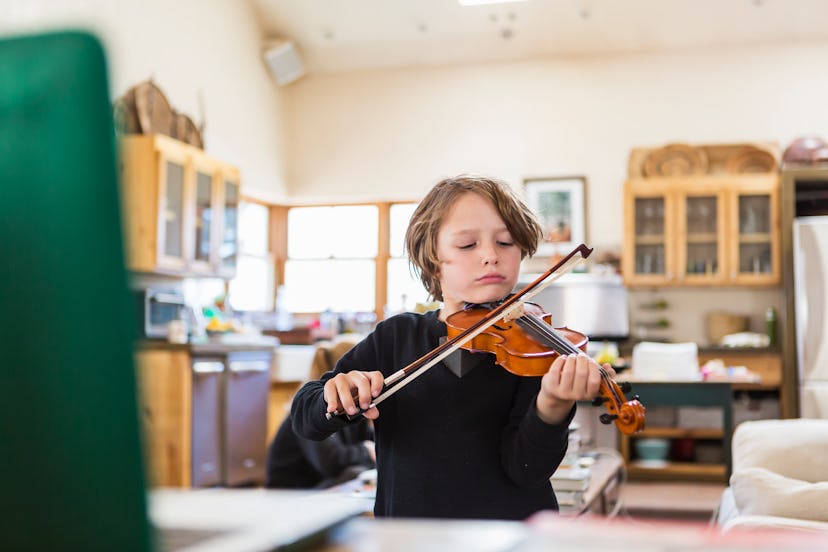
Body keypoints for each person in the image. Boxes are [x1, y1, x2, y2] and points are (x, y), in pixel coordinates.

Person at [290, 174, 612, 520]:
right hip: (410, 538)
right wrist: (333, 394)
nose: (491, 255)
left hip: (509, 537)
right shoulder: (395, 337)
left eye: (505, 242)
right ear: (432, 259)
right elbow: (305, 419)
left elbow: (526, 469)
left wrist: (552, 404)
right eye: (467, 245)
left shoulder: (532, 347)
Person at [265, 339, 376, 489]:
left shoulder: (355, 405)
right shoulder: (310, 412)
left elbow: (371, 440)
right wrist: (367, 451)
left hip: (317, 484)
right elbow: (330, 463)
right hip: (291, 494)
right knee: (355, 474)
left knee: (364, 474)